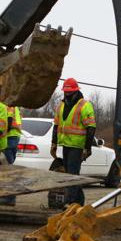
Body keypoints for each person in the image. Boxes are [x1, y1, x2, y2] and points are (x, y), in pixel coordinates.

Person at [50, 78, 95, 208]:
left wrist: (88, 148)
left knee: (72, 174)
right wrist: (54, 143)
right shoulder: (61, 105)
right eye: (66, 92)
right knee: (72, 173)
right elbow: (56, 125)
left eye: (70, 92)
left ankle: (70, 202)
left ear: (76, 91)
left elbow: (91, 127)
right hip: (66, 145)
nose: (67, 94)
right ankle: (78, 202)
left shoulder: (85, 105)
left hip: (77, 146)